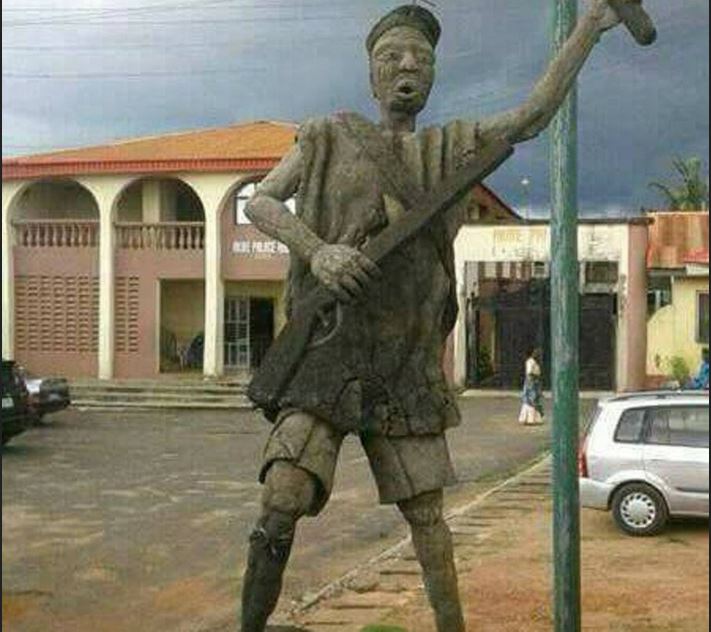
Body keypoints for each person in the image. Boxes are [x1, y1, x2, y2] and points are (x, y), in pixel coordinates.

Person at [239, 3, 638, 631]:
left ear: (433, 75)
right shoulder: (327, 137)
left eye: (420, 59)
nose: (407, 67)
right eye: (391, 57)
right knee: (280, 500)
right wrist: (318, 252)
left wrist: (590, 25)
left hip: (405, 364)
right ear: (371, 75)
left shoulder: (451, 147)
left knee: (428, 520)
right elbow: (260, 202)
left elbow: (533, 113)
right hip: (327, 351)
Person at [519, 348, 545, 425]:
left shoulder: (535, 362)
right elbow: (529, 373)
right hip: (531, 382)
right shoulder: (530, 362)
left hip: (535, 382)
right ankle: (529, 419)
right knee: (531, 399)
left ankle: (535, 418)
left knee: (535, 399)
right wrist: (533, 382)